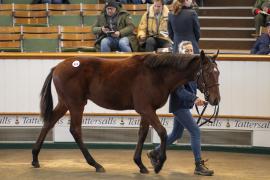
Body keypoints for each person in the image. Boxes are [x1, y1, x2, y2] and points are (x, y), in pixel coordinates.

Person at [147, 40, 214, 176]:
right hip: (179, 106)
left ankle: (154, 152)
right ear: (181, 53)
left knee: (176, 134)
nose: (190, 52)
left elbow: (196, 86)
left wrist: (204, 96)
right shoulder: (177, 70)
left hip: (185, 106)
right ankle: (198, 165)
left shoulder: (192, 69)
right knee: (195, 131)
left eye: (191, 50)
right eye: (187, 51)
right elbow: (180, 92)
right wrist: (195, 99)